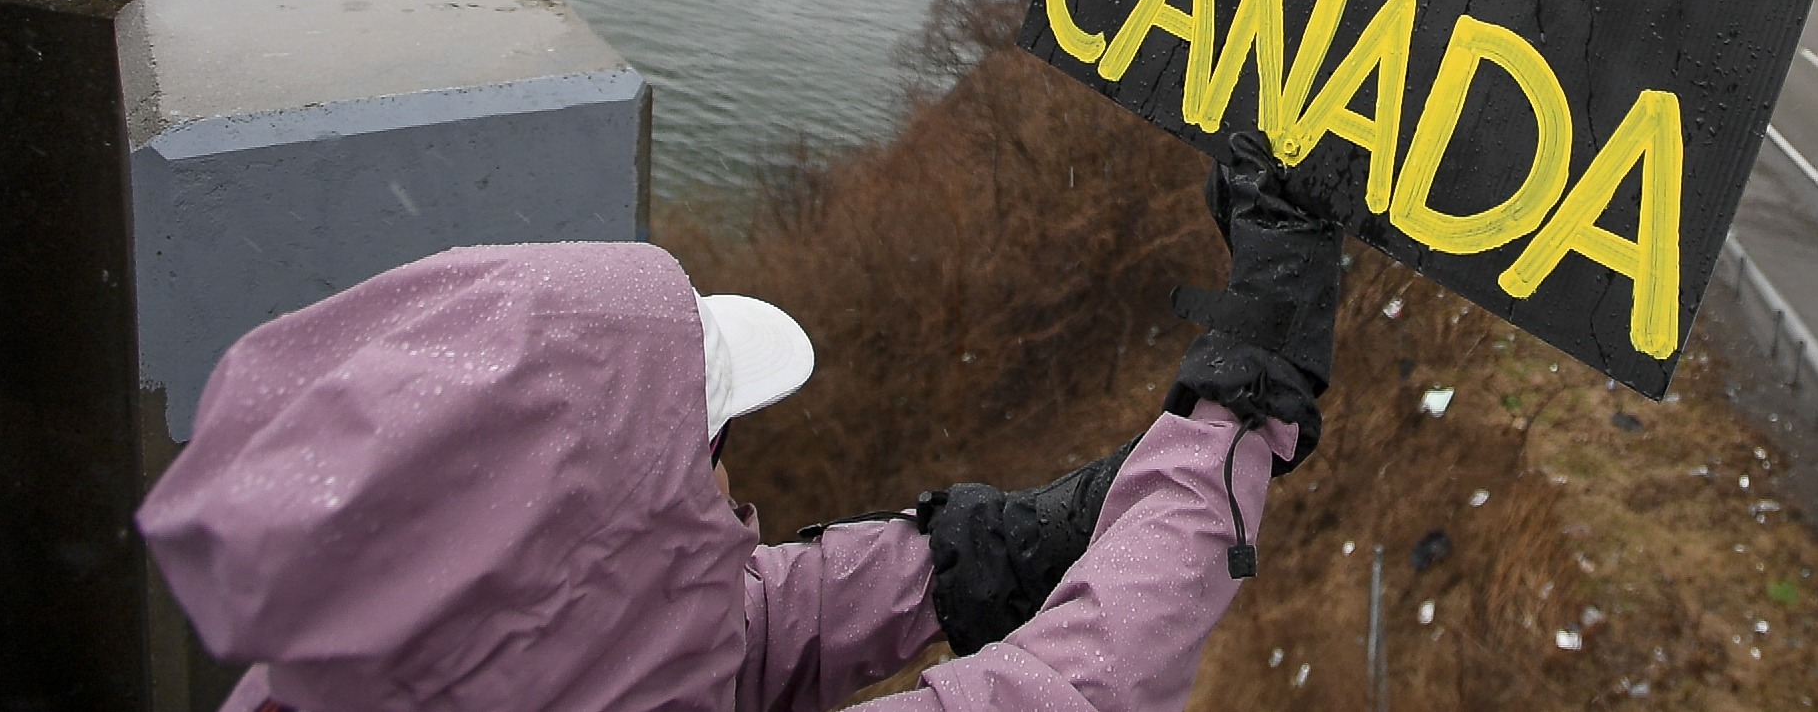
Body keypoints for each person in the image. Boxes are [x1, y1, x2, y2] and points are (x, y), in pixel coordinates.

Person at [137, 133, 1342, 712]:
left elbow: (679, 638)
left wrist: (964, 555)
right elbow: (1083, 678)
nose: (723, 492)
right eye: (707, 453)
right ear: (592, 547)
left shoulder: (350, 672)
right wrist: (1246, 378)